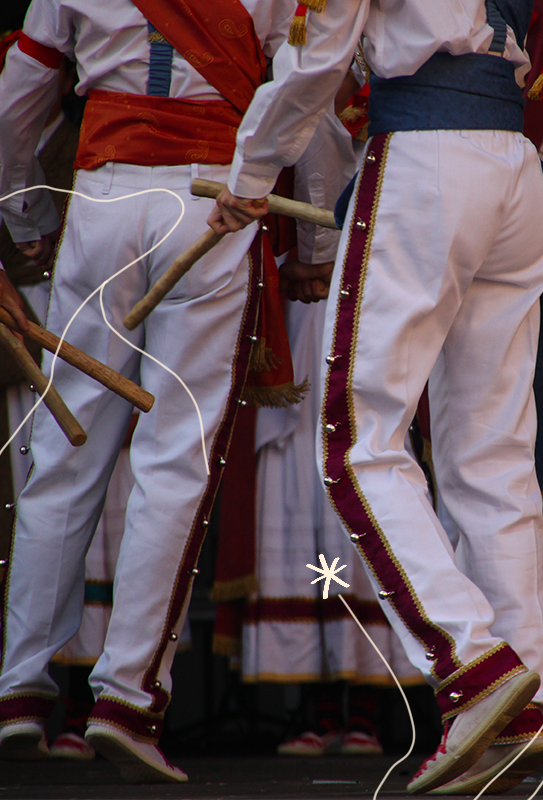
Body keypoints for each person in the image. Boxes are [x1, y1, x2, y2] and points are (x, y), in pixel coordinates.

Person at [211, 0, 543, 794]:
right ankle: (520, 701)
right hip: (513, 159)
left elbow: (318, 55)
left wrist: (252, 172)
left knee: (356, 439)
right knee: (493, 450)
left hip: (427, 159)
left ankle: (472, 662)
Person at [0, 0, 320, 783]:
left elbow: (16, 100)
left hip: (102, 201)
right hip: (213, 200)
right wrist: (317, 242)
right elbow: (305, 91)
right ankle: (125, 698)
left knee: (63, 451)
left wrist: (30, 220)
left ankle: (18, 691)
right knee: (175, 459)